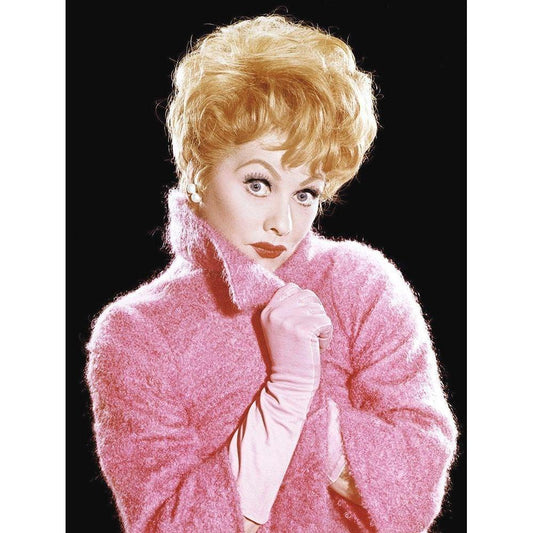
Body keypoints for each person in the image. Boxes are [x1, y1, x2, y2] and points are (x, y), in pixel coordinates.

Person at [85, 13, 458, 532]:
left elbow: (418, 485)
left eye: (305, 193)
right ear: (196, 170)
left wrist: (311, 414)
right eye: (258, 183)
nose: (283, 223)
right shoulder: (135, 334)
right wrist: (287, 391)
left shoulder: (362, 284)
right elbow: (169, 525)